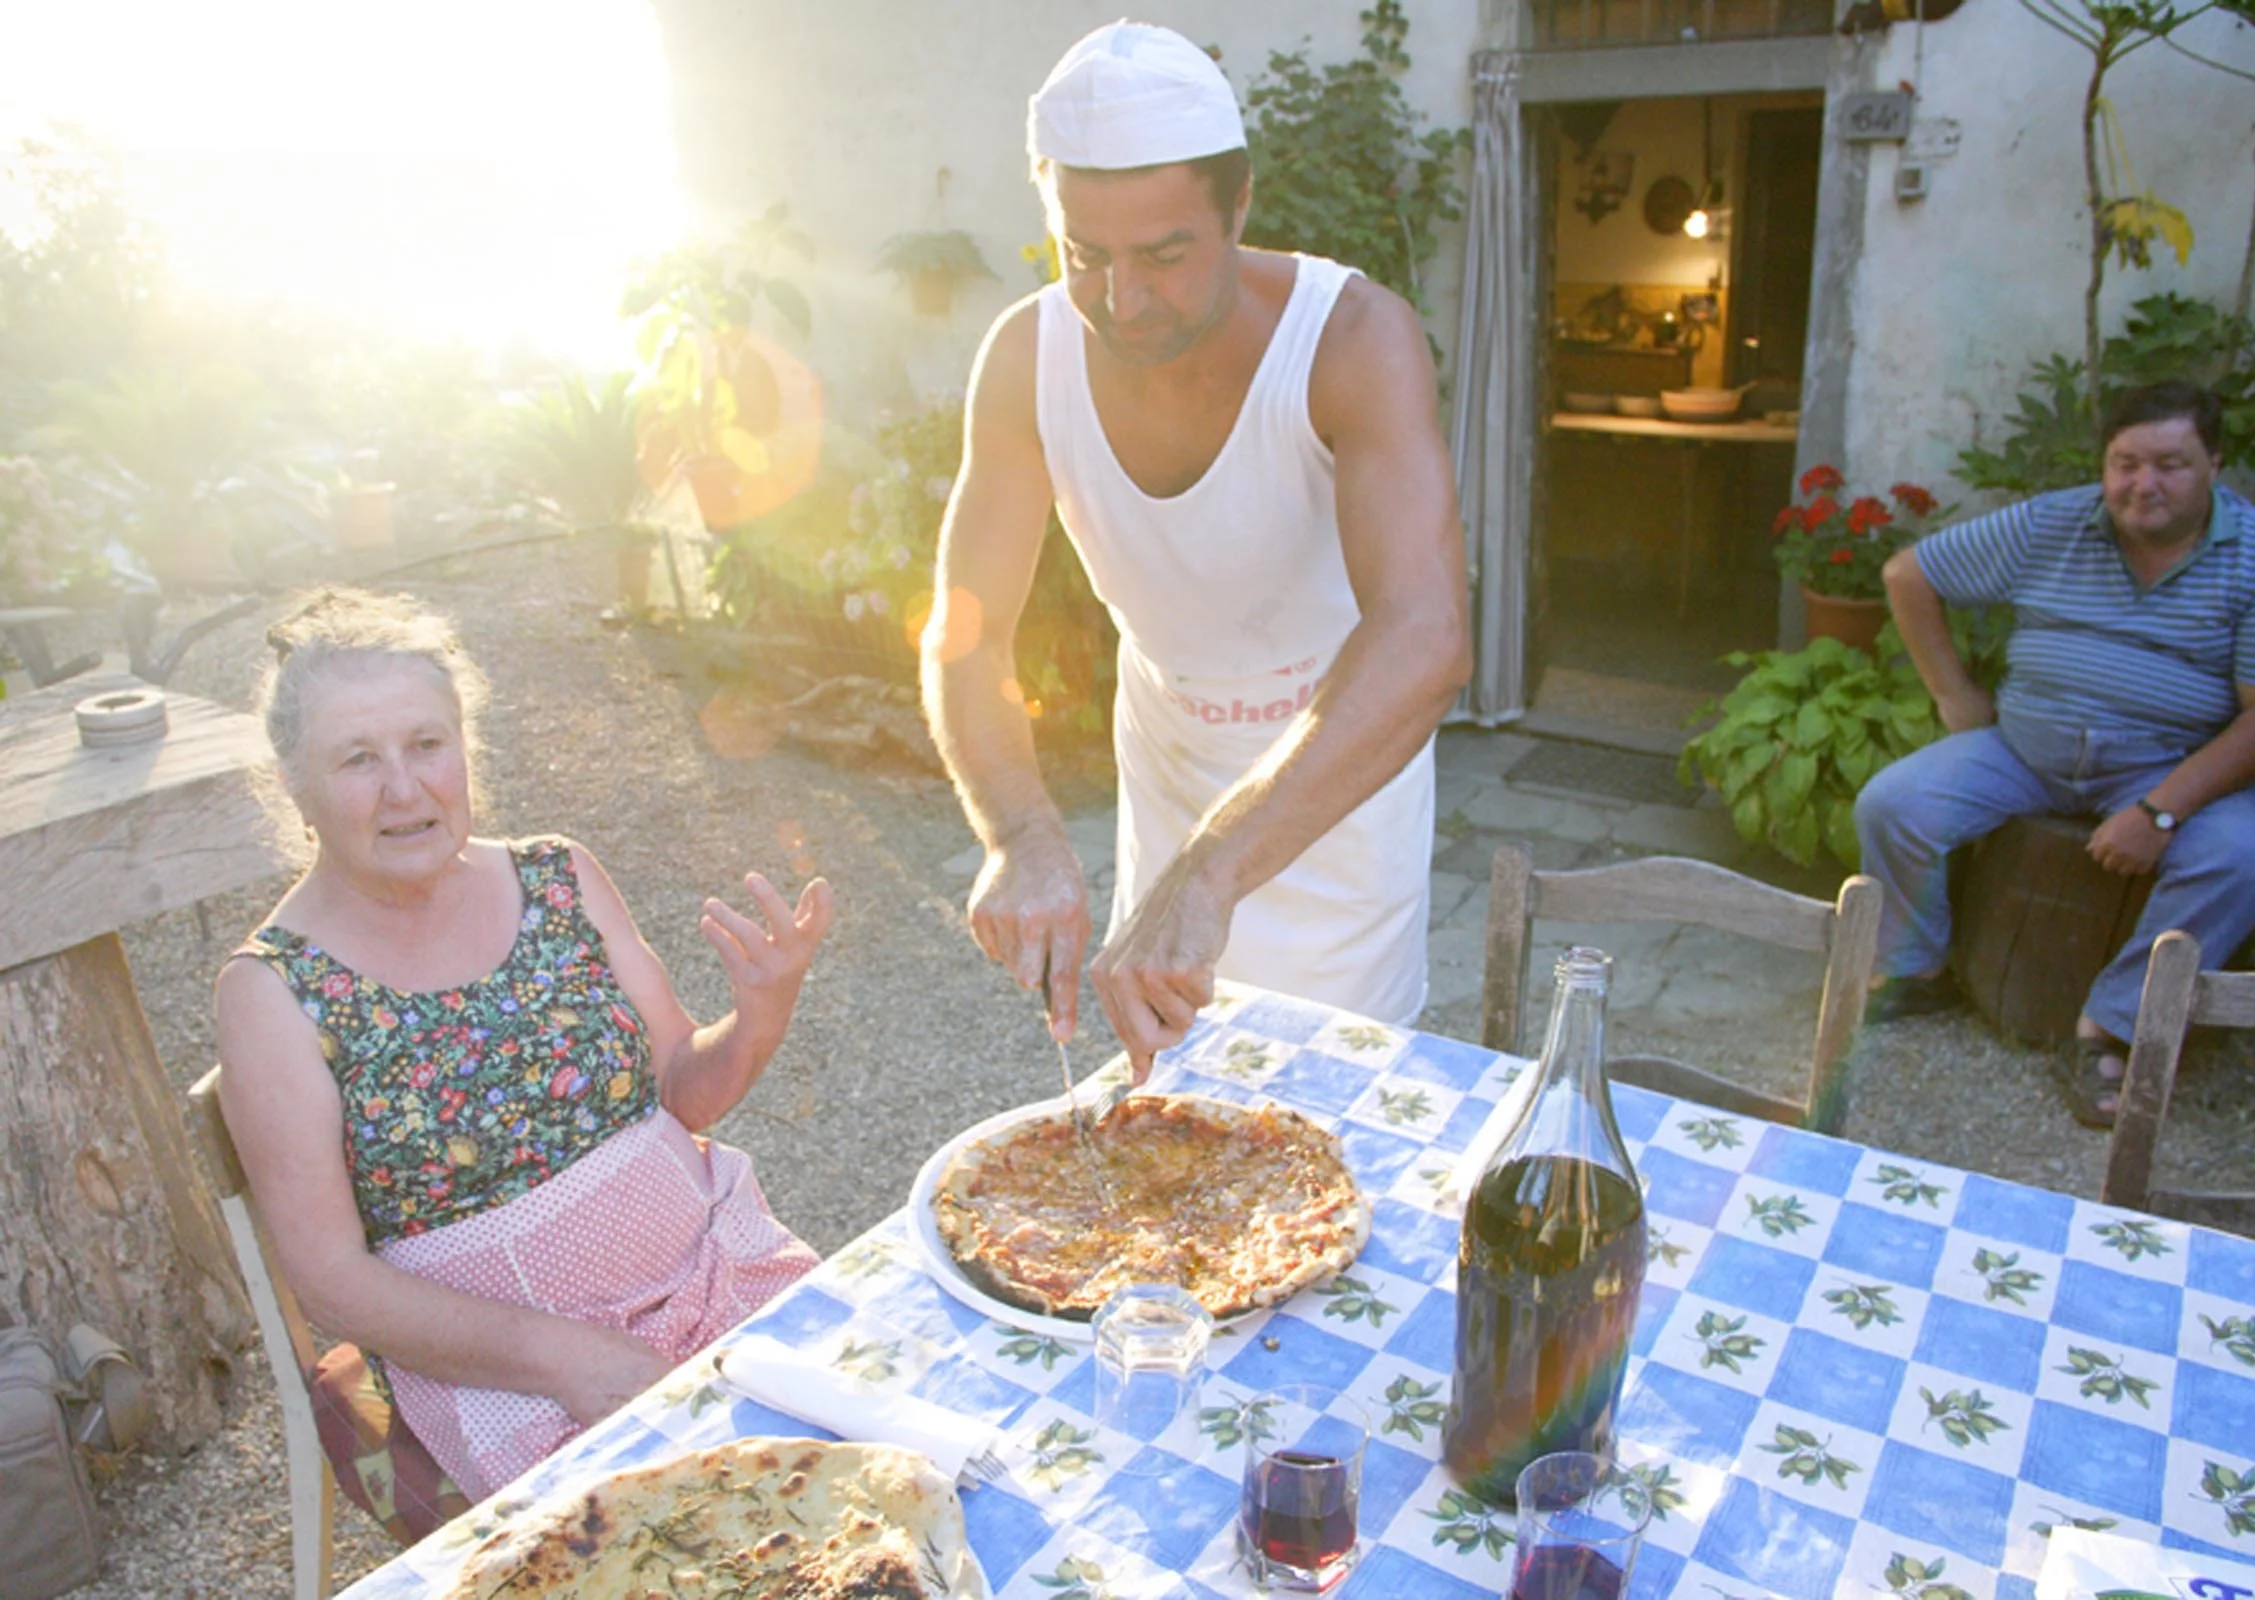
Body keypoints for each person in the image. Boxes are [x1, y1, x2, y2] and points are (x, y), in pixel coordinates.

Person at [922, 21, 1472, 1079]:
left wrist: (1211, 870)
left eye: (1166, 257)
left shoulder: (1352, 339)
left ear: (1240, 206)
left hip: (1336, 806)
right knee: (1171, 1113)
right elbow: (965, 629)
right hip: (1167, 779)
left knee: (1334, 1121)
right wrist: (1018, 834)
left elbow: (1425, 635)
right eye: (1085, 257)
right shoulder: (1026, 358)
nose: (1123, 301)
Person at [213, 587, 832, 1506]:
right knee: (711, 1543)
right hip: (510, 1382)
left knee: (892, 1462)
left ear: (465, 748)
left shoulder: (559, 875)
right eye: (357, 759)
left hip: (717, 1274)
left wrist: (760, 1014)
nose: (404, 788)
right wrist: (567, 1360)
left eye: (427, 744)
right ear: (296, 789)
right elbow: (332, 1283)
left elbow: (680, 1091)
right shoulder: (270, 992)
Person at [1853, 381, 2255, 1126]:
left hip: (2168, 764)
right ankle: (1917, 969)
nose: (2143, 484)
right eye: (2125, 463)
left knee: (2244, 861)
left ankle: (2111, 1025)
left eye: (2170, 464)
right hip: (2026, 751)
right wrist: (1953, 695)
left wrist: (2160, 812)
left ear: (2214, 465)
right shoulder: (2056, 523)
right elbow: (1908, 573)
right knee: (1894, 803)